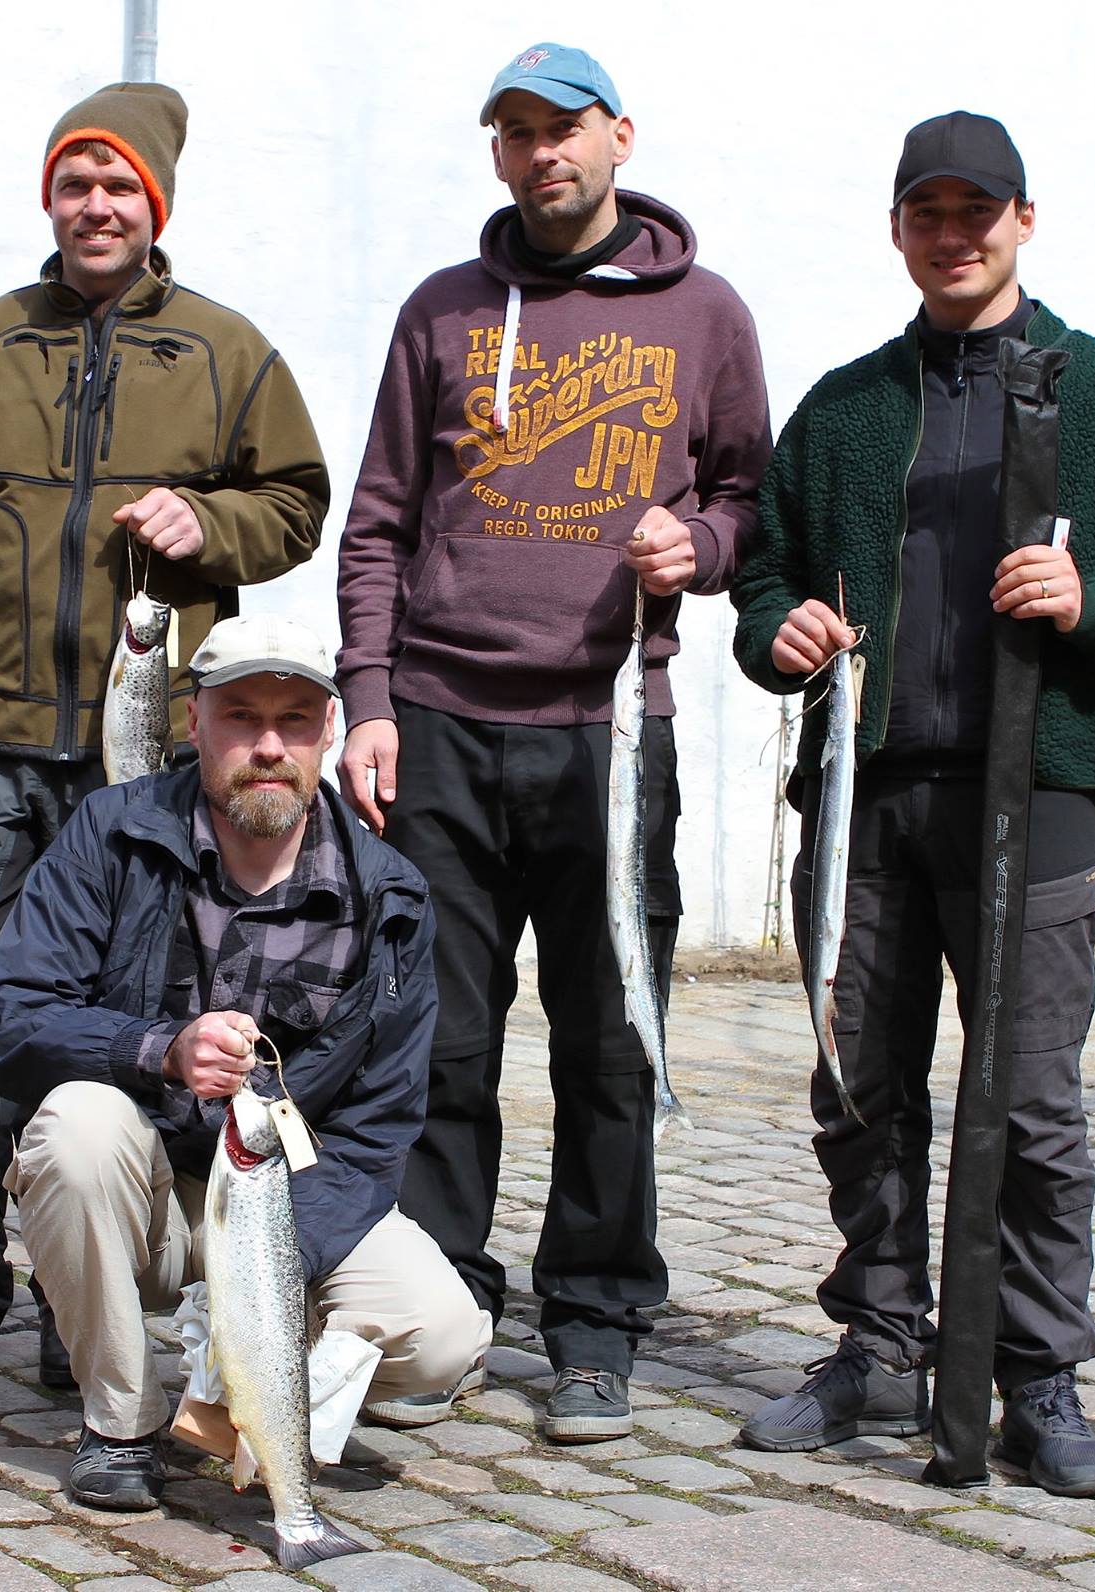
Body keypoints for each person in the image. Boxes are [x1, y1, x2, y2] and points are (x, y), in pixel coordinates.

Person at [729, 112, 1095, 1497]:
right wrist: (778, 632)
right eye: (928, 212)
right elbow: (764, 573)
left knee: (1030, 1103)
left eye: (979, 210)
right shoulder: (846, 406)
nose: (954, 234)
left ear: (1024, 219)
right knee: (861, 1089)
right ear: (901, 229)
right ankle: (884, 1349)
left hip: (1046, 789)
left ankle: (1036, 1375)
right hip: (869, 796)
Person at [0, 84, 329, 1385]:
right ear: (51, 198)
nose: (96, 207)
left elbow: (299, 502)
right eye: (75, 183)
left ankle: (77, 1298)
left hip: (144, 766)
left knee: (116, 1020)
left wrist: (209, 527)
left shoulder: (224, 350)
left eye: (120, 188)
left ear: (155, 205)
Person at [334, 43, 769, 1442]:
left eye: (563, 130)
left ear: (619, 137)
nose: (541, 155)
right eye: (515, 134)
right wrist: (369, 699)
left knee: (609, 1047)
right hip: (445, 734)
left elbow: (750, 499)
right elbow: (381, 522)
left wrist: (693, 543)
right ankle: (448, 1311)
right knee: (441, 1045)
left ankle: (594, 1327)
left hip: (607, 735)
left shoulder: (705, 316)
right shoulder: (445, 311)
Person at [0, 615, 491, 1509]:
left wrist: (257, 1302)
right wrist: (157, 1050)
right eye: (241, 717)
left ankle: (245, 1398)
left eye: (294, 721)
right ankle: (119, 1424)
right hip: (144, 1195)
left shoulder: (389, 894)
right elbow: (5, 1017)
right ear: (194, 723)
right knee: (75, 1129)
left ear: (330, 731)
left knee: (441, 1335)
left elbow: (379, 1130)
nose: (269, 746)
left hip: (284, 1209)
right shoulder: (111, 833)